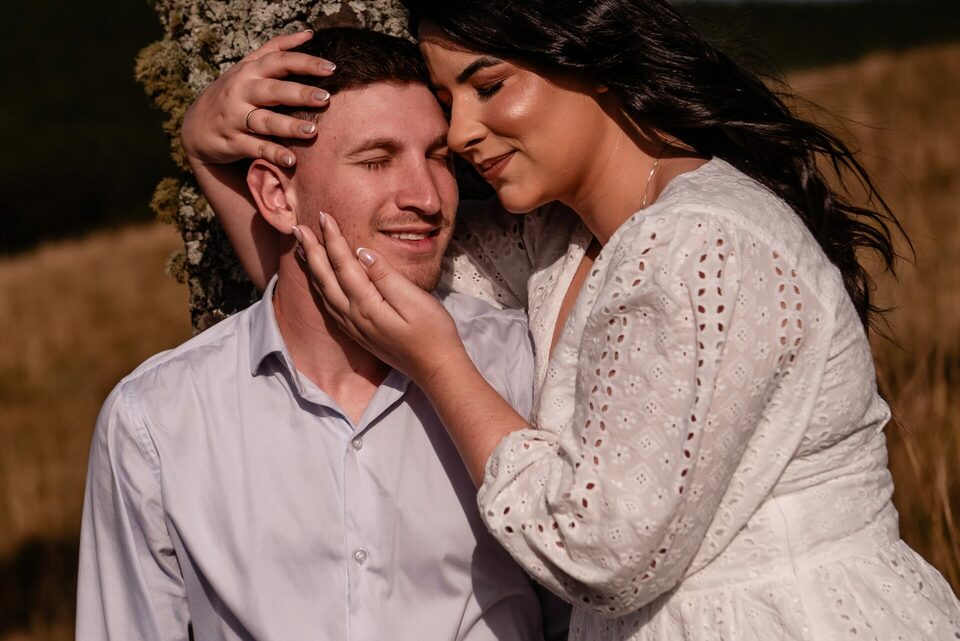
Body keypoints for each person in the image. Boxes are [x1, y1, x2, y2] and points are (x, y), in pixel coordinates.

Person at [182, 2, 960, 639]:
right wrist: (208, 150)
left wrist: (442, 364)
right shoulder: (560, 246)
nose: (461, 133)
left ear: (586, 53)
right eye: (451, 103)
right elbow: (343, 279)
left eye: (489, 85)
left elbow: (597, 551)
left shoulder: (703, 242)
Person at [77, 27, 568, 641]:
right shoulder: (156, 420)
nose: (427, 197)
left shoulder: (522, 366)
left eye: (438, 157)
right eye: (377, 160)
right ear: (276, 196)